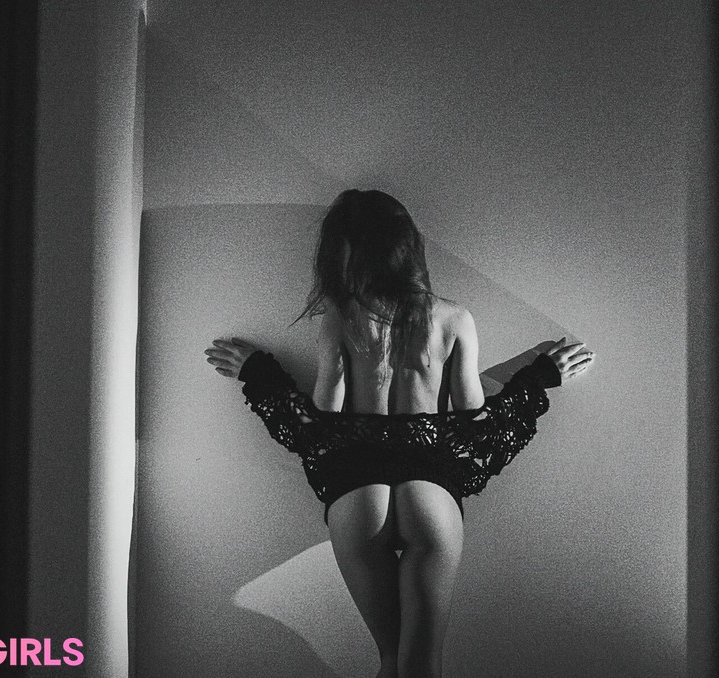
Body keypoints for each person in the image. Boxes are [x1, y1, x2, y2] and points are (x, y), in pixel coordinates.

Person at [205, 189, 592, 678]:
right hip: (430, 490)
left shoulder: (342, 318)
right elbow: (474, 419)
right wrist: (539, 376)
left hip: (357, 490)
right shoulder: (454, 318)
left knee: (391, 659)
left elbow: (322, 418)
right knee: (421, 664)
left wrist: (257, 372)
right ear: (408, 248)